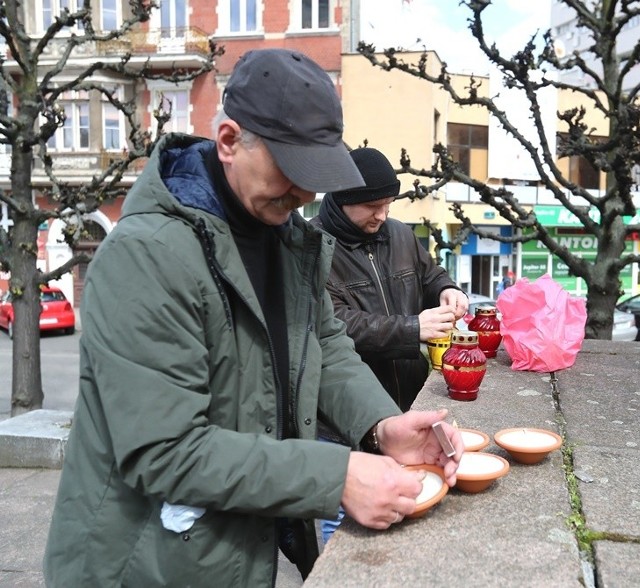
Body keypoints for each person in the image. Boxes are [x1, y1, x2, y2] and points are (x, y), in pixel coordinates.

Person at [42, 49, 462, 587]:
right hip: (140, 562)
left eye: (317, 174)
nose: (306, 193)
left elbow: (325, 345)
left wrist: (381, 426)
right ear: (229, 141)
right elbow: (165, 451)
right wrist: (335, 476)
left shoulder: (286, 237)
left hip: (229, 545)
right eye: (291, 170)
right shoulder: (146, 256)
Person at [310, 147, 468, 413]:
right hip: (353, 404)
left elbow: (430, 275)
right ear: (342, 200)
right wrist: (412, 328)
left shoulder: (400, 234)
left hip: (414, 393)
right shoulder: (313, 246)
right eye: (372, 206)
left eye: (388, 204)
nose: (382, 215)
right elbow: (335, 323)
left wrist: (447, 289)